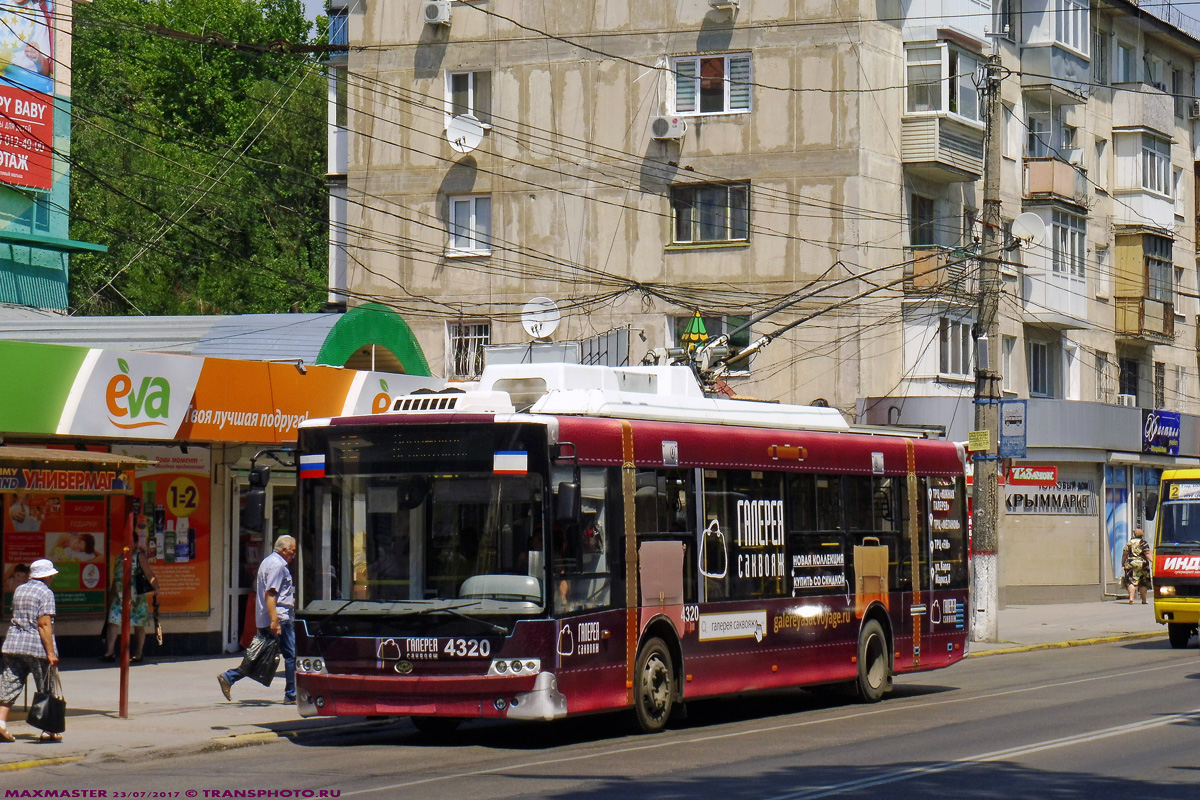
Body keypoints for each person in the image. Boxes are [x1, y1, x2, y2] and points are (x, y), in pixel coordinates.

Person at [218, 535, 296, 703]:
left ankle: (229, 677)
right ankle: (291, 694)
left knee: (258, 656)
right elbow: (270, 594)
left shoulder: (267, 561)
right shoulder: (278, 565)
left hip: (267, 617)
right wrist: (275, 621)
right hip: (279, 618)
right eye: (292, 551)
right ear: (283, 550)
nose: (293, 555)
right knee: (291, 656)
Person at [0, 559, 59, 742]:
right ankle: (49, 729)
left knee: (10, 683)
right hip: (36, 647)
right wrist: (50, 652)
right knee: (46, 686)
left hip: (14, 644)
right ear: (46, 576)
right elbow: (43, 624)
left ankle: (0, 723)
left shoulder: (20, 589)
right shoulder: (46, 593)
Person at [99, 545, 158, 663]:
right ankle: (110, 652)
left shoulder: (139, 556)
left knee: (138, 624)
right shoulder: (120, 558)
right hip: (120, 596)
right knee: (113, 621)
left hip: (137, 597)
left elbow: (148, 573)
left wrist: (156, 588)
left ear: (135, 542)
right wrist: (112, 593)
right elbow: (116, 578)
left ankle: (138, 653)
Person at [1122, 528, 1152, 605]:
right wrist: (1153, 561)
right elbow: (1147, 553)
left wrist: (1123, 562)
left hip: (1131, 564)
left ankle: (1131, 598)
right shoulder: (1143, 543)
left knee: (1131, 581)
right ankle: (1144, 600)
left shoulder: (1129, 543)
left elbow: (1125, 553)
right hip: (1142, 564)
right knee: (1143, 582)